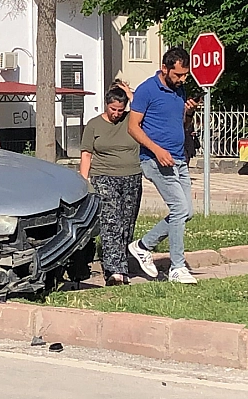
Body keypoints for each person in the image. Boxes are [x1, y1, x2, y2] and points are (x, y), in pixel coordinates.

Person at [126, 47, 200, 284]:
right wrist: (157, 150)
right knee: (179, 209)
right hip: (155, 160)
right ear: (165, 68)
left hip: (179, 159)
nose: (182, 79)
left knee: (186, 212)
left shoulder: (180, 91)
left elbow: (182, 124)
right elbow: (133, 127)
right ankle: (177, 267)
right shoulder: (147, 90)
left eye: (185, 75)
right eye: (178, 75)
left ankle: (142, 246)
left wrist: (189, 113)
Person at [80, 82, 140, 285]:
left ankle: (122, 266)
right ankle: (114, 271)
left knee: (126, 224)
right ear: (106, 105)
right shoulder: (94, 125)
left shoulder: (131, 120)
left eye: (120, 110)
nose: (116, 113)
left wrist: (131, 95)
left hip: (132, 176)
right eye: (113, 109)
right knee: (111, 222)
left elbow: (144, 111)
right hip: (104, 177)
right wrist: (83, 181)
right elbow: (86, 154)